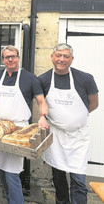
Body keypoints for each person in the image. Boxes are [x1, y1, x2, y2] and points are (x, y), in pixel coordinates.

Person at [0, 45, 49, 204]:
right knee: (0, 170)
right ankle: (9, 199)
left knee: (12, 174)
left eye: (13, 56)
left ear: (18, 57)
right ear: (2, 60)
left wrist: (43, 116)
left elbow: (41, 101)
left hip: (18, 131)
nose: (10, 59)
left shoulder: (30, 78)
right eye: (7, 57)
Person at [39, 43, 99, 204]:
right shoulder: (44, 79)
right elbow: (41, 103)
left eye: (66, 56)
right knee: (58, 179)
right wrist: (43, 116)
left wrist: (75, 119)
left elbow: (94, 104)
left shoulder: (85, 79)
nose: (61, 59)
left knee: (78, 180)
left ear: (72, 59)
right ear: (52, 57)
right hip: (56, 136)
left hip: (77, 137)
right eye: (58, 55)